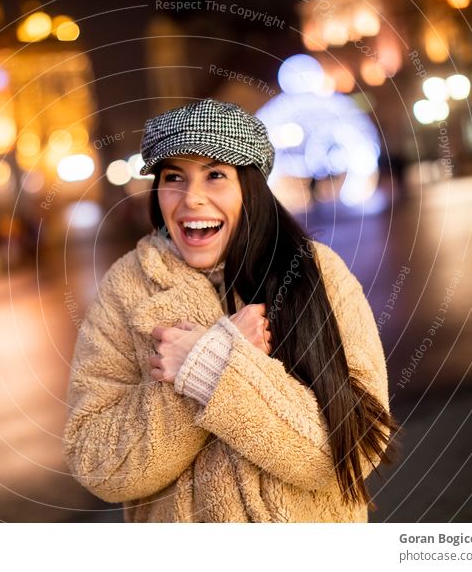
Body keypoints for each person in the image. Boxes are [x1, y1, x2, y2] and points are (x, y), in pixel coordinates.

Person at [63, 99, 398, 522]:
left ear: (250, 187)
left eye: (215, 175)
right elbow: (97, 463)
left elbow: (358, 448)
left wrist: (209, 365)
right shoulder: (125, 289)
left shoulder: (318, 273)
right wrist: (206, 368)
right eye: (174, 178)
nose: (191, 200)